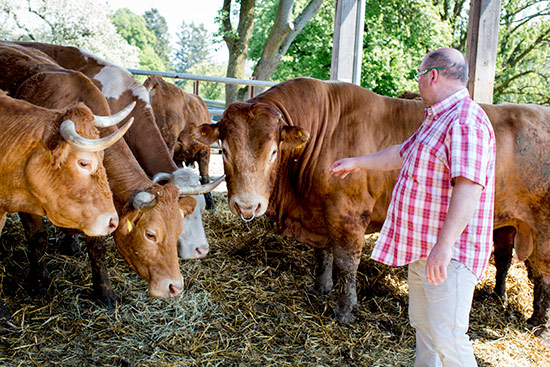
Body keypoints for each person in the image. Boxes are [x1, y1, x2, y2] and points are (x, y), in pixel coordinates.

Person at [329, 48, 496, 367]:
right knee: (427, 331)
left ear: (433, 75)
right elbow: (401, 153)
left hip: (450, 255)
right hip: (425, 248)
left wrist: (444, 247)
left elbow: (469, 188)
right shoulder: (439, 118)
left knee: (449, 338)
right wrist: (356, 162)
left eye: (420, 76)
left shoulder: (465, 120)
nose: (418, 84)